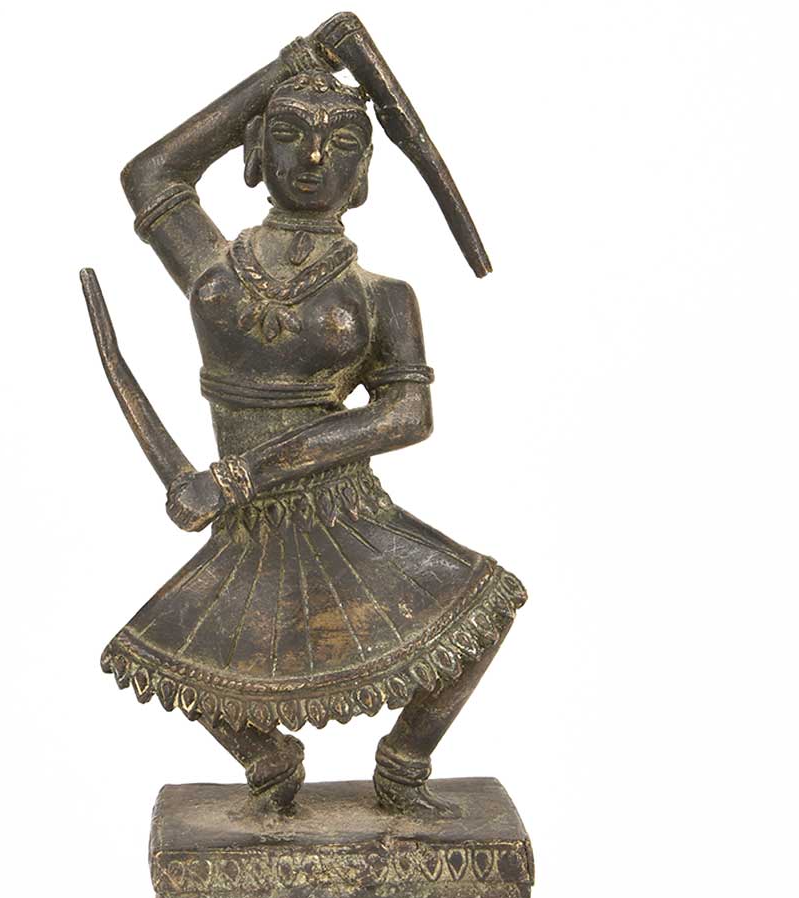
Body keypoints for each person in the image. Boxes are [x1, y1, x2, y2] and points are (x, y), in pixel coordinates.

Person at [100, 36, 526, 815]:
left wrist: (244, 474)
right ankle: (268, 760)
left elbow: (407, 415)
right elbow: (151, 173)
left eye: (344, 142)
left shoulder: (382, 297)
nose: (315, 157)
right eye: (290, 133)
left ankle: (403, 765)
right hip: (247, 521)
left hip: (340, 507)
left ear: (363, 178)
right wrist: (293, 65)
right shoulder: (212, 268)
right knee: (168, 650)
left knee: (487, 606)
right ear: (253, 154)